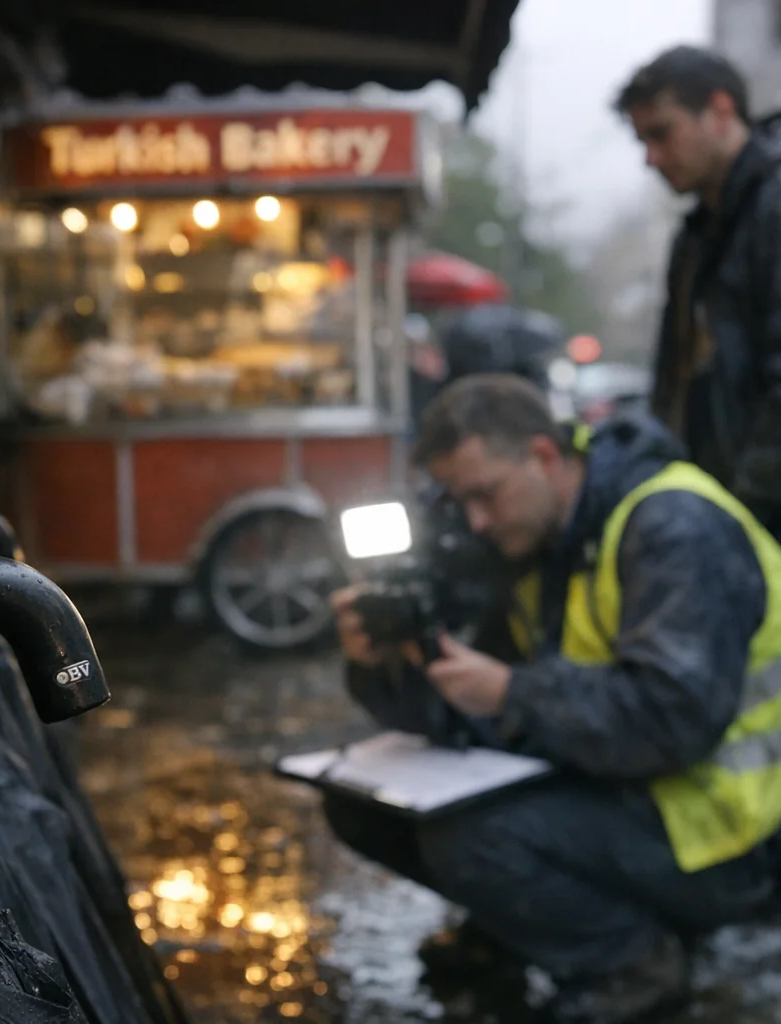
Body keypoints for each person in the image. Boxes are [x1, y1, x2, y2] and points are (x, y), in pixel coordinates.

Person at [330, 374, 781, 1024]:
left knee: (474, 838)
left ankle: (633, 961)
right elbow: (471, 721)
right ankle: (523, 927)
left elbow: (674, 720)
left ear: (543, 455)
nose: (477, 520)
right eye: (462, 502)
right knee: (368, 801)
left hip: (723, 833)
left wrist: (513, 691)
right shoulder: (541, 543)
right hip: (627, 785)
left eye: (486, 495)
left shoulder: (672, 526)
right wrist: (385, 668)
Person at [614, 46, 781, 537]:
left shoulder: (771, 208)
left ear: (721, 111)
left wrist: (746, 508)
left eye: (662, 133)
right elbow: (677, 377)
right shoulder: (695, 236)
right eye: (642, 139)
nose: (651, 157)